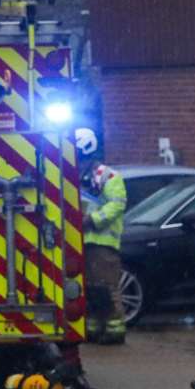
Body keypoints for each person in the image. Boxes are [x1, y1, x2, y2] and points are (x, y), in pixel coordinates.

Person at [76, 129, 128, 344]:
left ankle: (115, 329)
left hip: (103, 242)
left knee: (106, 287)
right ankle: (94, 327)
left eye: (79, 155)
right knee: (87, 288)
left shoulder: (108, 176)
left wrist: (93, 219)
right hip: (79, 242)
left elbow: (118, 204)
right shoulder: (72, 175)